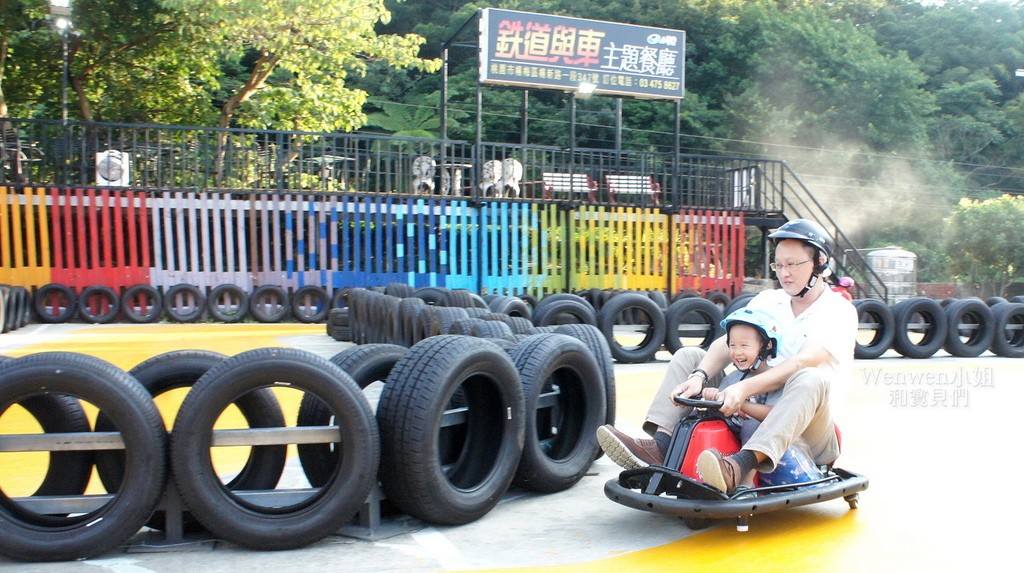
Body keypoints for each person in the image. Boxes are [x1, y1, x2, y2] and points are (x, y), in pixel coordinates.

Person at [596, 219, 857, 495]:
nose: (784, 273)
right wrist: (699, 377)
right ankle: (661, 447)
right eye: (778, 265)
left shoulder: (837, 310)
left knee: (810, 378)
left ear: (819, 262)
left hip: (810, 427)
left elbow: (801, 362)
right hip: (754, 405)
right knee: (689, 356)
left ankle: (739, 466)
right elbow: (726, 342)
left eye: (792, 265)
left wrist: (741, 390)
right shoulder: (769, 300)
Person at [698, 307, 783, 489]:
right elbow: (720, 404)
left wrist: (742, 405)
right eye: (732, 345)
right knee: (698, 418)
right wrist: (712, 397)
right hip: (732, 432)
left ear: (766, 346)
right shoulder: (732, 378)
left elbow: (777, 416)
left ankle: (746, 484)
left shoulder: (775, 379)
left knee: (752, 424)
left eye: (744, 346)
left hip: (761, 442)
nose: (737, 352)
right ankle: (678, 463)